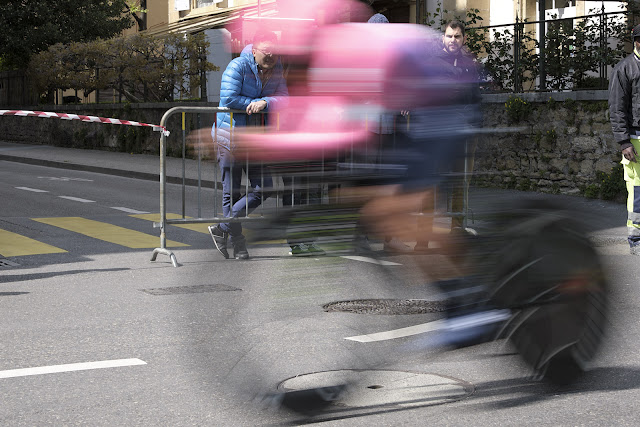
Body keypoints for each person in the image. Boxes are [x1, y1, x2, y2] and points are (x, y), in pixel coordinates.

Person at [208, 29, 288, 260]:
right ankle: (239, 244)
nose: (271, 55)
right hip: (230, 137)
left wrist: (266, 101)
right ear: (254, 51)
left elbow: (284, 97)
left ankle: (222, 227)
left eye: (275, 51)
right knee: (231, 193)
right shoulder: (237, 66)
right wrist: (254, 103)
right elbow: (228, 99)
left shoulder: (277, 70)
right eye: (266, 51)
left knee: (265, 187)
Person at [414, 19, 481, 252]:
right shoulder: (432, 63)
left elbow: (474, 96)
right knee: (431, 183)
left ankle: (456, 228)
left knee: (461, 182)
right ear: (443, 37)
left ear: (464, 39)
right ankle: (422, 236)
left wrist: (474, 121)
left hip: (464, 132)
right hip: (438, 133)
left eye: (457, 36)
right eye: (449, 36)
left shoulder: (470, 64)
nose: (453, 40)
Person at [609, 23, 640, 255]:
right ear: (636, 41)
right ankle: (636, 238)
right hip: (635, 137)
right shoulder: (625, 68)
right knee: (638, 190)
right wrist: (623, 142)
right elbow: (617, 108)